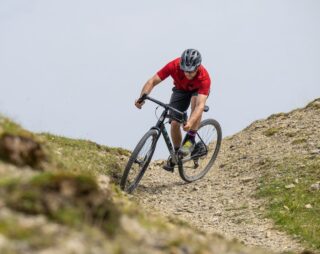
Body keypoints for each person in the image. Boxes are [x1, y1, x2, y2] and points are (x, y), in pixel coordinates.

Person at [135, 49, 211, 171]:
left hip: (196, 91)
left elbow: (200, 106)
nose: (187, 73)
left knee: (195, 103)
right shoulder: (174, 65)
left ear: (198, 67)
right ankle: (177, 154)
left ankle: (191, 138)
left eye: (191, 71)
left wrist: (190, 123)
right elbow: (152, 81)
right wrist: (142, 97)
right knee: (175, 122)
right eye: (185, 70)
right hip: (180, 90)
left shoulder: (204, 77)